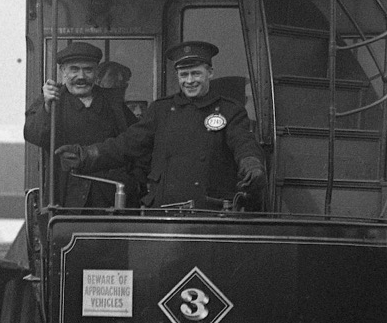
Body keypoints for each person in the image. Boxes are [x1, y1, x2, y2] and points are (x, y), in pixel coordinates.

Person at [56, 41, 266, 210]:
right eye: (184, 75)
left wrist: (251, 162)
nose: (190, 81)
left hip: (210, 212)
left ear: (209, 73)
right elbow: (126, 144)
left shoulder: (230, 111)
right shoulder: (161, 110)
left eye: (196, 74)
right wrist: (86, 155)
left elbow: (243, 141)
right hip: (164, 212)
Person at [24, 41, 143, 208]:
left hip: (109, 200)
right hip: (65, 200)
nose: (81, 76)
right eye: (74, 69)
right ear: (62, 71)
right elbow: (32, 134)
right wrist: (46, 107)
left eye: (88, 70)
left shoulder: (113, 103)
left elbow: (136, 142)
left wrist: (133, 181)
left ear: (96, 73)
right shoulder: (51, 101)